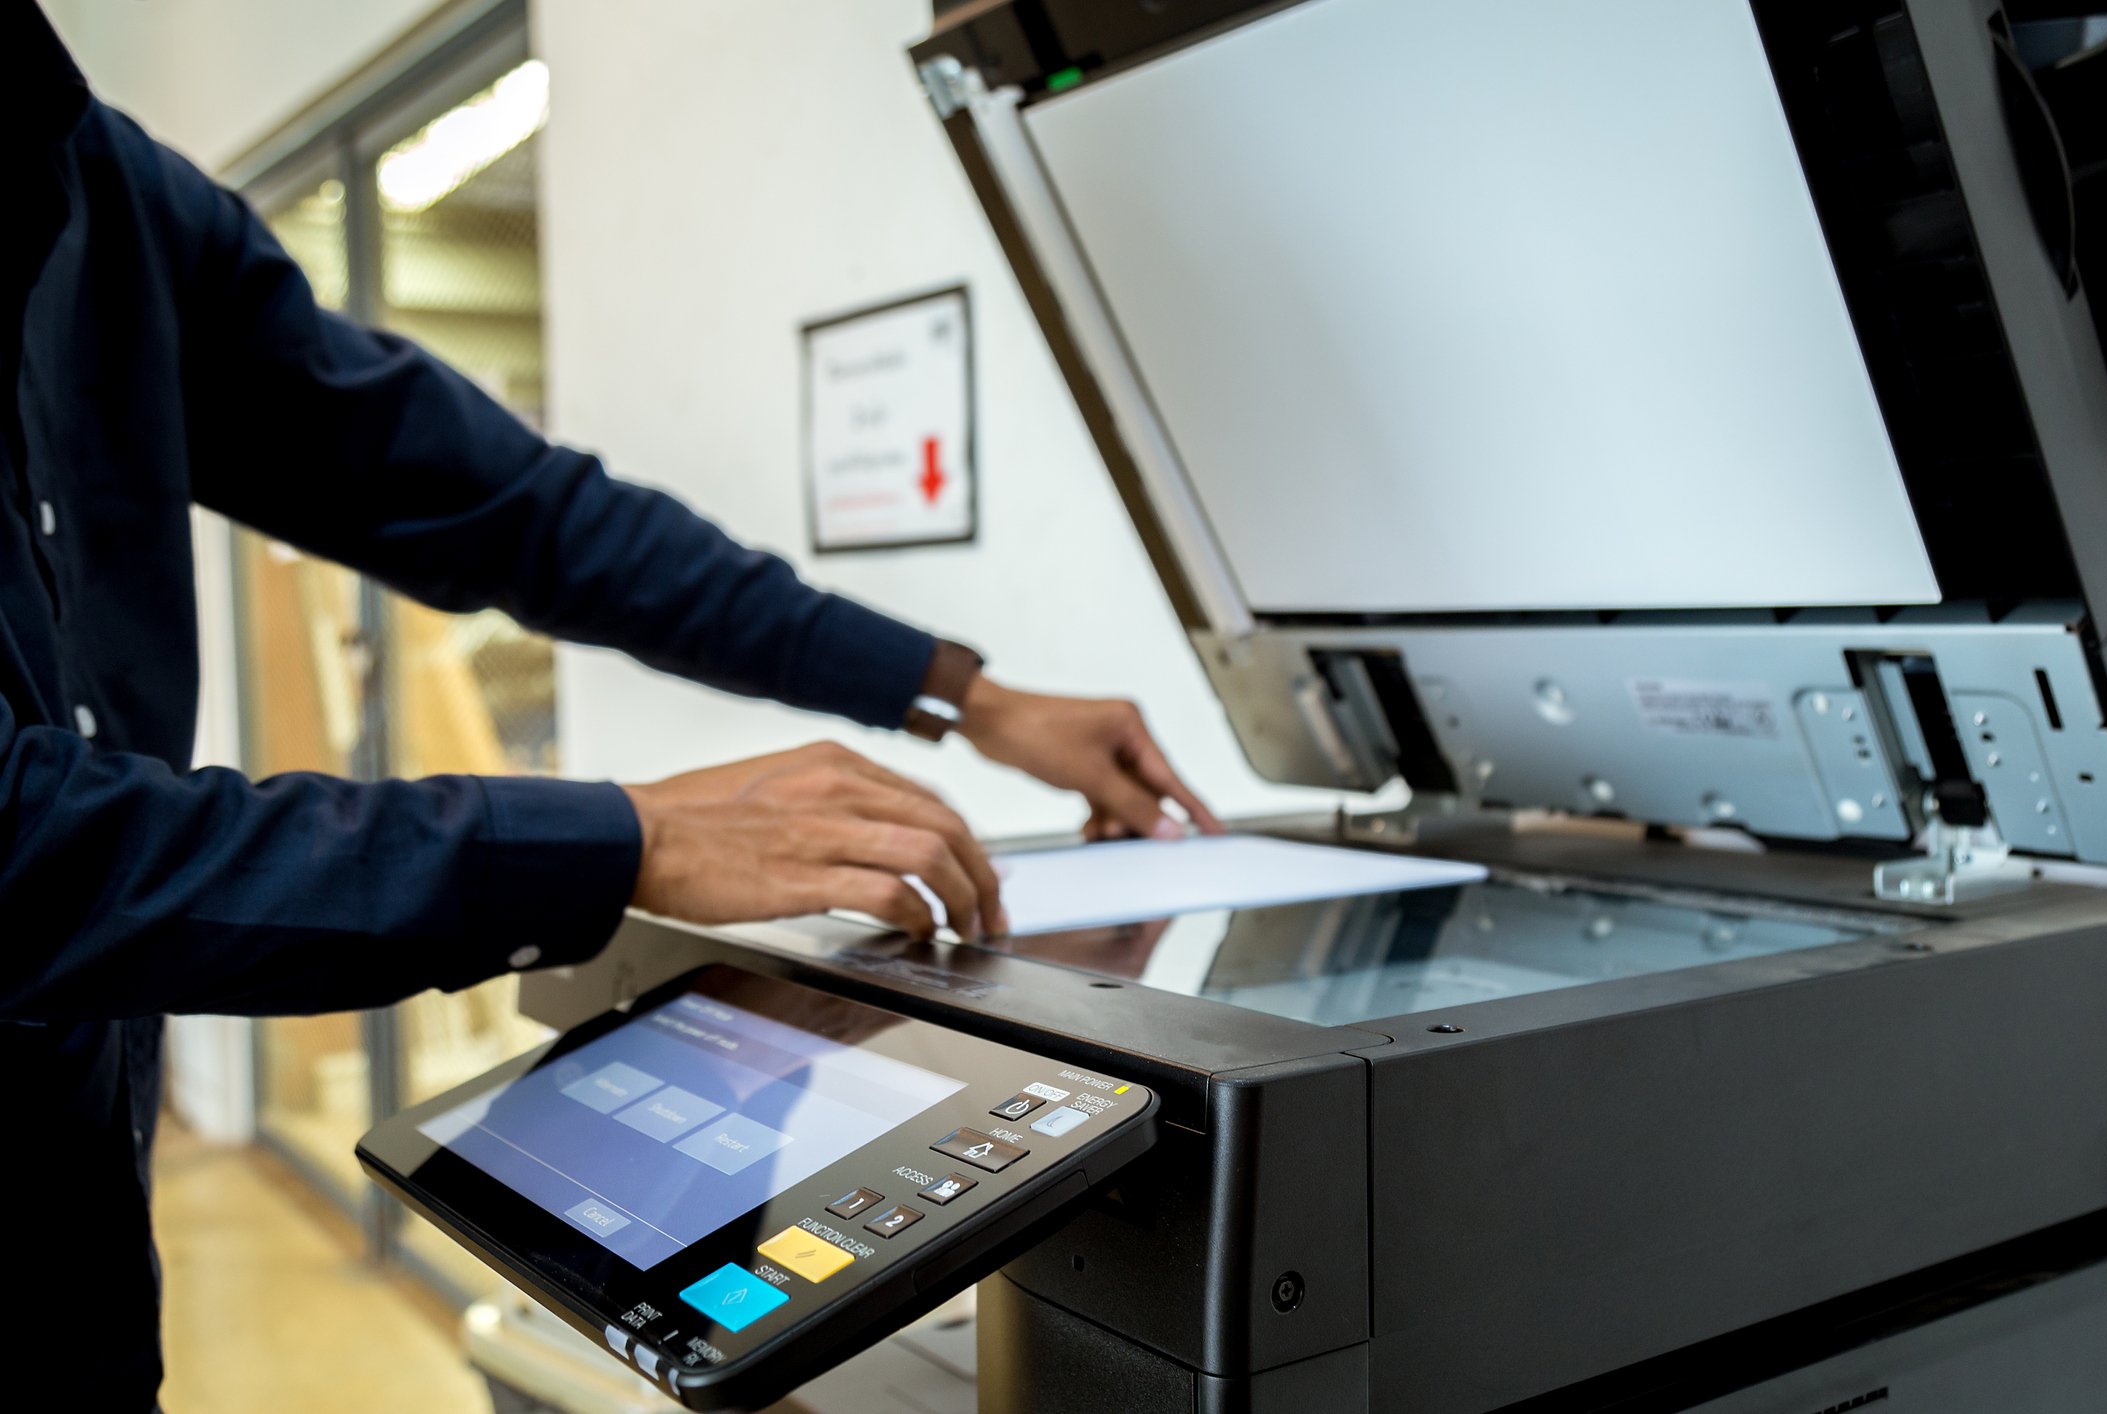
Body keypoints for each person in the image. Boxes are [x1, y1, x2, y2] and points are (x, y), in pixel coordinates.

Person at [1, 6, 1218, 1405]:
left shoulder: (111, 197)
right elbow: (25, 852)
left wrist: (965, 694)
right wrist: (621, 839)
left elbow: (519, 512)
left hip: (83, 1212)